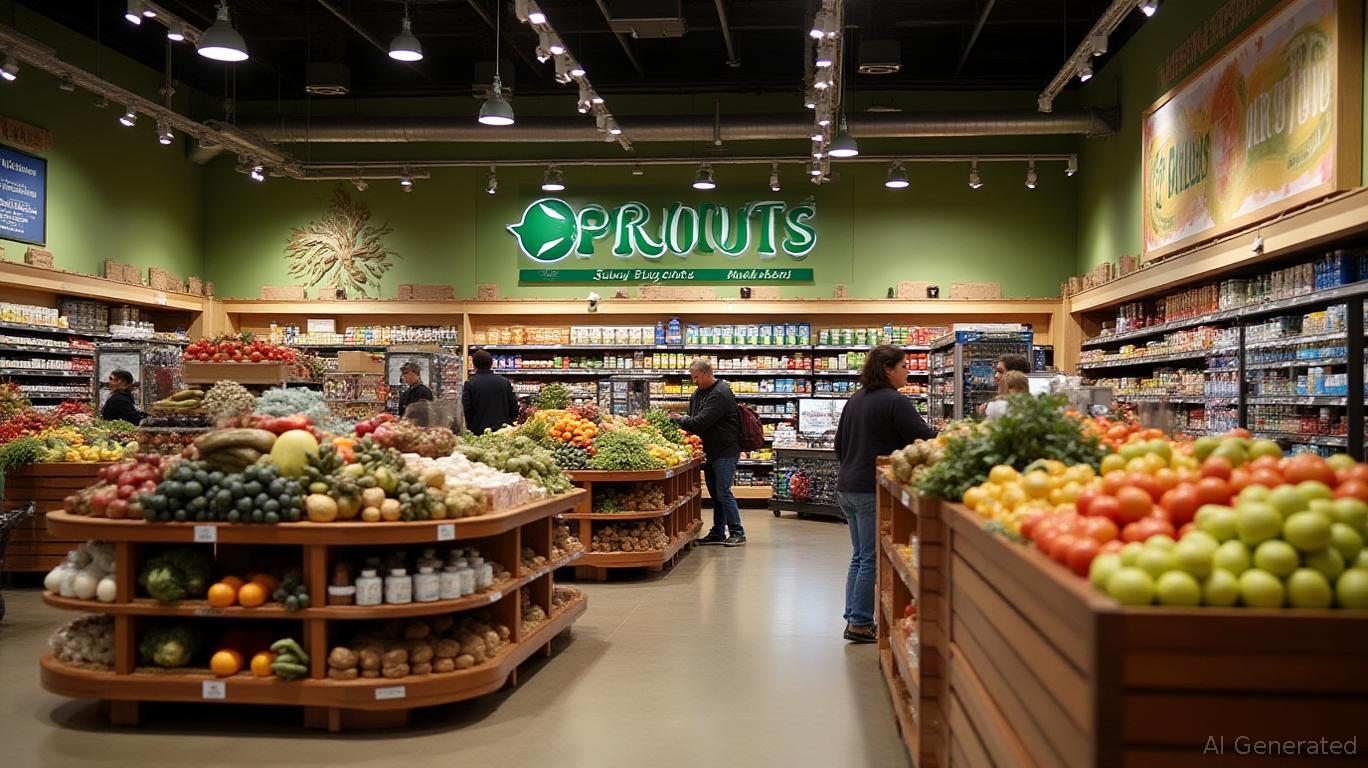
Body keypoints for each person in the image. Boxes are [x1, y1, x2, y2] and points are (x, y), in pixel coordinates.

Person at [834, 346, 937, 643]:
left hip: (848, 486)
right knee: (870, 557)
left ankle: (854, 616)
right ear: (888, 369)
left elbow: (839, 445)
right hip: (870, 488)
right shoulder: (896, 401)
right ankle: (859, 623)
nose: (908, 371)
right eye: (904, 366)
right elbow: (923, 438)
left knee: (859, 555)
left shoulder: (855, 399)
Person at [670, 359, 745, 547]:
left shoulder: (720, 393)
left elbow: (700, 422)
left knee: (723, 492)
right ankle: (718, 532)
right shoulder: (699, 393)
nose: (694, 381)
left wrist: (679, 419)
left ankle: (738, 532)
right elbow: (693, 417)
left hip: (725, 450)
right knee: (716, 494)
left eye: (696, 377)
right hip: (710, 450)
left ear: (706, 374)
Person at [462, 349, 519, 435]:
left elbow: (466, 410)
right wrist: (509, 421)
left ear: (474, 365)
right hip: (502, 431)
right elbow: (514, 406)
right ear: (491, 363)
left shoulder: (470, 384)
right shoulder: (504, 382)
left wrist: (471, 426)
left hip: (479, 432)